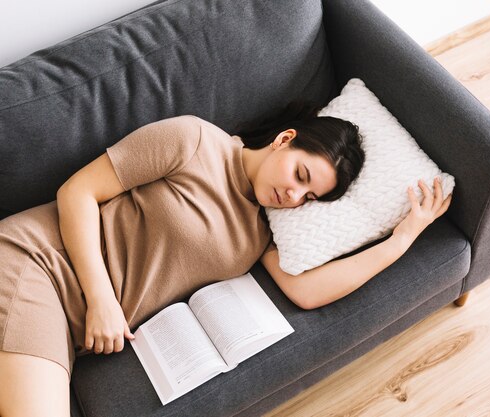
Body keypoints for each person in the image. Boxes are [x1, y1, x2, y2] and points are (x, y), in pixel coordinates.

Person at [0, 101, 451, 416]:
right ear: (285, 139)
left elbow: (305, 291)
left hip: (71, 331)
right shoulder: (194, 140)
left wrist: (401, 239)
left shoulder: (261, 232)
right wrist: (101, 299)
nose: (292, 195)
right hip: (35, 264)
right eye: (300, 174)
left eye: (308, 196)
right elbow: (76, 191)